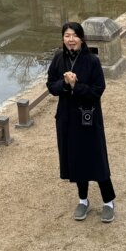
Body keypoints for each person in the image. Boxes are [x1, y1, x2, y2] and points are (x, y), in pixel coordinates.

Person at [46, 20, 116, 223]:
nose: (70, 40)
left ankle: (108, 202)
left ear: (81, 38)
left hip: (88, 116)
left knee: (96, 157)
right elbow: (51, 85)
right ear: (63, 39)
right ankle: (83, 200)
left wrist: (77, 85)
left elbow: (98, 90)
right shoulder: (59, 58)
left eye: (74, 36)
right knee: (76, 158)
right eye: (67, 36)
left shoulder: (92, 61)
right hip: (67, 118)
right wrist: (65, 85)